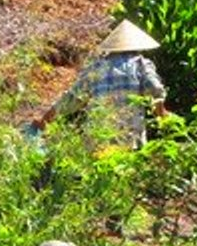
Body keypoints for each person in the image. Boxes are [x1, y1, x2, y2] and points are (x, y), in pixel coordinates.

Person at [36, 19, 167, 149]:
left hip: (99, 142)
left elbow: (71, 99)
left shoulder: (95, 67)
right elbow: (155, 89)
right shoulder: (141, 64)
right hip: (131, 142)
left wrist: (43, 121)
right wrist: (162, 116)